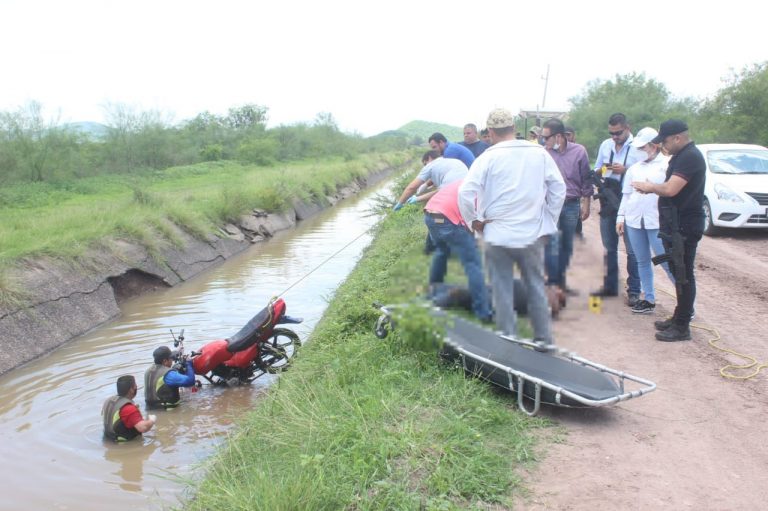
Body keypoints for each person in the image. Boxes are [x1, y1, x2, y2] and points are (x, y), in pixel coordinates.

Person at [458, 108, 565, 351]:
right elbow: (558, 188)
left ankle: (509, 344)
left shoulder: (487, 157)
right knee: (536, 287)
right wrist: (549, 218)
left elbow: (466, 193)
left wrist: (473, 221)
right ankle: (544, 343)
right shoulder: (539, 153)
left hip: (497, 236)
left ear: (491, 132)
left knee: (502, 290)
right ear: (514, 129)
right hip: (532, 235)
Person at [632, 120, 705, 341]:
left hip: (685, 225)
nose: (663, 145)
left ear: (677, 138)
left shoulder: (690, 157)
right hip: (676, 225)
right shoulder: (681, 156)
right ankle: (678, 317)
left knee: (683, 275)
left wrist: (650, 187)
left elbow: (671, 189)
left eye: (664, 141)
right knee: (678, 271)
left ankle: (682, 326)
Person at [617, 127, 675, 315]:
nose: (641, 151)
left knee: (667, 262)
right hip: (634, 220)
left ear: (654, 145)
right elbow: (626, 195)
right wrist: (621, 217)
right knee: (641, 260)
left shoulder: (666, 165)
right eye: (639, 148)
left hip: (656, 221)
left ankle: (685, 303)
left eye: (644, 147)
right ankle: (648, 299)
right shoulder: (634, 169)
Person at [592, 113, 644, 306]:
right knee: (609, 247)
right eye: (611, 133)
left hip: (629, 201)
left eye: (618, 133)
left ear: (627, 128)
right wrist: (608, 168)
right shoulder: (606, 145)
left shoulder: (638, 147)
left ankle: (634, 290)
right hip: (608, 200)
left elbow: (644, 173)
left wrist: (626, 170)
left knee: (633, 250)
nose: (614, 137)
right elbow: (597, 170)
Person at [424, 179, 492, 322]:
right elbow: (475, 222)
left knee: (442, 251)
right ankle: (483, 312)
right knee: (473, 264)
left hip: (431, 215)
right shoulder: (484, 190)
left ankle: (433, 292)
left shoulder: (468, 179)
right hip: (447, 217)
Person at [540, 119, 592, 296]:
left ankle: (559, 281)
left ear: (559, 136)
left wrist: (586, 204)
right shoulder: (543, 154)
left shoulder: (579, 152)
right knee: (550, 244)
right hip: (549, 206)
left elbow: (586, 179)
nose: (543, 141)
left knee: (567, 246)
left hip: (571, 205)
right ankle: (552, 283)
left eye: (546, 137)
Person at [392, 150, 467, 210]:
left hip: (455, 197)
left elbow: (411, 188)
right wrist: (425, 185)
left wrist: (400, 203)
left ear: (429, 158)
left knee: (432, 213)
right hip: (467, 192)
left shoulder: (430, 166)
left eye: (425, 163)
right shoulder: (452, 161)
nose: (425, 166)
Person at [102, 375, 156, 442]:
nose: (136, 387)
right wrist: (151, 420)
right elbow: (143, 428)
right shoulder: (129, 408)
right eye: (135, 385)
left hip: (108, 440)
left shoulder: (108, 401)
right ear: (131, 390)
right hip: (124, 445)